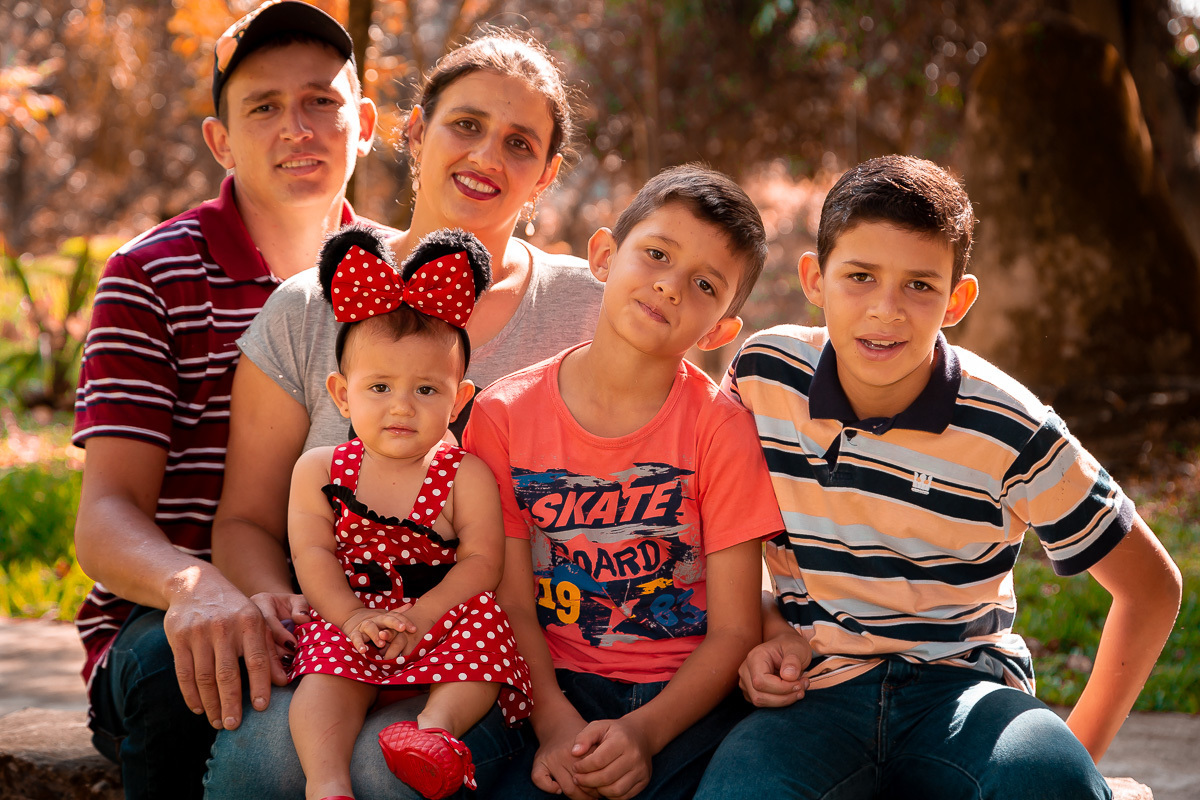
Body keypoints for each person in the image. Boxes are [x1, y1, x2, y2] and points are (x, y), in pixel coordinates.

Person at [694, 154, 1183, 800]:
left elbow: (1151, 588)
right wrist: (771, 632)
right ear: (815, 278)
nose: (886, 310)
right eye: (861, 277)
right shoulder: (764, 376)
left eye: (920, 285)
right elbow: (718, 538)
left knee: (1050, 781)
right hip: (813, 695)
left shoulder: (1009, 425)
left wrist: (1077, 761)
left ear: (958, 299)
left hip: (968, 693)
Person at [206, 30, 602, 799]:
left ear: (547, 175)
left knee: (386, 774)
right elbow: (246, 521)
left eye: (519, 143)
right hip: (334, 625)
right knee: (264, 761)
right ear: (414, 131)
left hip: (505, 649)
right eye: (466, 125)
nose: (488, 155)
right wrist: (293, 612)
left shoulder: (589, 309)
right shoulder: (311, 305)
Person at [70, 2, 382, 798]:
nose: (297, 128)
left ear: (367, 123)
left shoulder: (396, 277)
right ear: (222, 138)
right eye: (264, 107)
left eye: (321, 100)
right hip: (171, 616)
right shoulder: (151, 276)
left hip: (352, 611)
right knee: (207, 665)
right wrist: (195, 587)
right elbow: (105, 517)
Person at [464, 164, 785, 800]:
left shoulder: (720, 430)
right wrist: (554, 721)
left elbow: (733, 631)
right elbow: (510, 604)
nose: (668, 286)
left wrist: (643, 732)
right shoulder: (502, 415)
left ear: (719, 330)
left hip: (687, 695)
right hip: (546, 683)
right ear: (605, 256)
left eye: (702, 284)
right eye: (656, 254)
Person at [286, 225, 531, 800]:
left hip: (441, 619)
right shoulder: (320, 471)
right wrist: (348, 618)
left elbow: (481, 562)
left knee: (487, 640)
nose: (401, 406)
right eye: (378, 388)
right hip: (357, 616)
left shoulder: (463, 474)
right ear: (342, 395)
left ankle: (431, 732)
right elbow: (313, 554)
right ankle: (327, 783)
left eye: (426, 390)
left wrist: (425, 615)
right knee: (322, 678)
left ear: (460, 399)